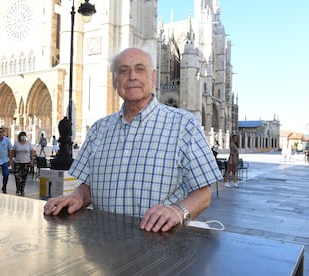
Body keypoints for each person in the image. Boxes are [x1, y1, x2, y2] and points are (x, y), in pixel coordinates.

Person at [44, 47, 222, 232]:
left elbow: (204, 194)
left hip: (162, 243)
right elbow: (88, 186)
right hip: (106, 243)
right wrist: (78, 197)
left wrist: (178, 211)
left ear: (153, 77)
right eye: (123, 70)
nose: (132, 76)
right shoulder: (99, 129)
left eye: (140, 69)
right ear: (114, 81)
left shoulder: (184, 125)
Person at [12, 131, 36, 196]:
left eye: (24, 135)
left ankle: (22, 189)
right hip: (18, 162)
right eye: (21, 135)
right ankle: (18, 188)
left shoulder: (28, 143)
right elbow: (13, 152)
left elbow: (32, 152)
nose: (23, 137)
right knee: (17, 176)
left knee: (24, 177)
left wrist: (32, 160)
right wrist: (12, 160)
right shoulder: (16, 143)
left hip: (26, 162)